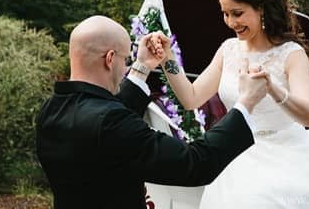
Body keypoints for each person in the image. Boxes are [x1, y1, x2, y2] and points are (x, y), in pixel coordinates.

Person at [152, 0, 309, 208]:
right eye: (225, 14)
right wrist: (168, 60)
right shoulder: (228, 49)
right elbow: (191, 98)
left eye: (238, 13)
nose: (230, 22)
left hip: (289, 155)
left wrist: (272, 88)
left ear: (261, 9)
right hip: (237, 155)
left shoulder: (291, 54)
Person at [35, 15, 269, 209]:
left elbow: (104, 119)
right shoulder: (110, 122)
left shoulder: (51, 110)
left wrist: (142, 66)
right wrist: (246, 102)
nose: (127, 65)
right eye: (126, 59)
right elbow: (195, 164)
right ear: (109, 59)